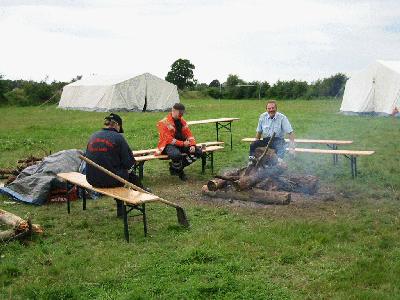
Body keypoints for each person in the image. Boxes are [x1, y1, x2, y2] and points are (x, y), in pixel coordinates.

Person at [85, 113, 150, 216]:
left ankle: (140, 191)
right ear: (117, 125)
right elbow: (129, 163)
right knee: (128, 174)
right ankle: (133, 198)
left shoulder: (94, 135)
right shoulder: (118, 138)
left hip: (91, 179)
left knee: (118, 171)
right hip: (111, 180)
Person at [155, 103, 203, 181]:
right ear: (174, 111)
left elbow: (189, 134)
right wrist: (183, 144)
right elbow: (168, 140)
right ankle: (180, 173)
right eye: (180, 113)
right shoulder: (163, 122)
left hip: (181, 144)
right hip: (168, 145)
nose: (182, 115)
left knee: (198, 152)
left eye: (183, 113)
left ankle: (175, 167)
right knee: (176, 155)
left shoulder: (182, 121)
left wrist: (193, 145)